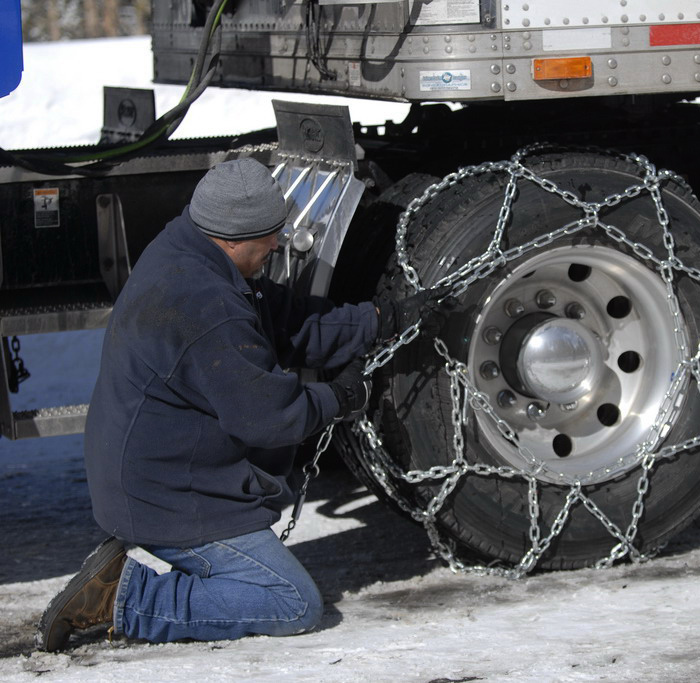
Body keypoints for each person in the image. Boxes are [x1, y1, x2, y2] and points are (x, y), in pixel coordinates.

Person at [37, 157, 442, 651]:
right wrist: (340, 398)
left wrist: (381, 319)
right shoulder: (205, 307)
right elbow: (271, 417)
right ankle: (126, 598)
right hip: (173, 497)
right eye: (270, 236)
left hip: (155, 475)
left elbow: (289, 323)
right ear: (232, 238)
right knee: (292, 602)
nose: (277, 245)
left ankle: (125, 578)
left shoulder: (187, 248)